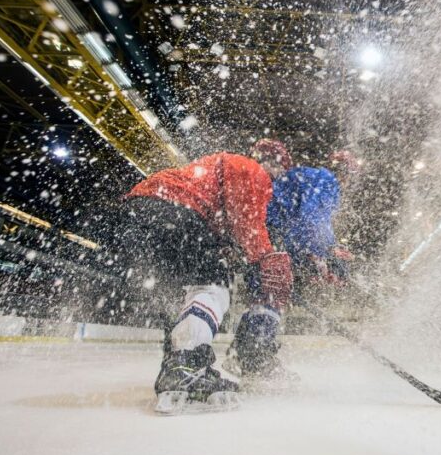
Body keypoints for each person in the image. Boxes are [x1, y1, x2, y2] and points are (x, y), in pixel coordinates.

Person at [110, 144, 294, 413]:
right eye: (279, 171)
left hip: (138, 212)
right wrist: (264, 257)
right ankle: (187, 367)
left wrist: (230, 249)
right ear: (273, 162)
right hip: (176, 210)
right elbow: (248, 221)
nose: (277, 179)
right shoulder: (251, 168)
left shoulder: (214, 167)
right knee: (212, 289)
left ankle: (175, 369)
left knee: (178, 300)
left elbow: (226, 221)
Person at [267, 149, 360, 289]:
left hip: (271, 225)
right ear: (345, 173)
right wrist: (329, 248)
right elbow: (310, 218)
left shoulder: (315, 177)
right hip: (270, 225)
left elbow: (308, 223)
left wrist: (325, 248)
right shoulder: (327, 180)